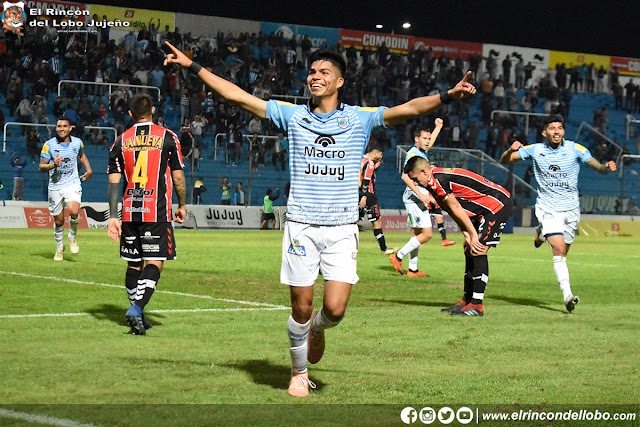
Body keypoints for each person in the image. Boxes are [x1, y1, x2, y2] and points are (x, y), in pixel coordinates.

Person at [164, 42, 476, 397]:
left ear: (340, 81)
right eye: (312, 72)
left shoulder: (359, 118)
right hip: (302, 225)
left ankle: (319, 328)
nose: (315, 76)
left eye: (324, 72)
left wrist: (448, 96)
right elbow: (239, 97)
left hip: (342, 228)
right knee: (301, 305)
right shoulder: (293, 115)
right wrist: (192, 65)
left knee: (335, 309)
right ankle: (298, 372)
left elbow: (408, 109)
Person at [499, 114, 617, 313]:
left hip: (571, 209)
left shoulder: (575, 149)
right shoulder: (535, 149)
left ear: (563, 131)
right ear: (544, 132)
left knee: (564, 252)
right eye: (552, 128)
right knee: (559, 250)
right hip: (548, 207)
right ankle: (567, 295)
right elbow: (505, 160)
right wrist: (509, 150)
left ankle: (540, 232)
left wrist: (606, 167)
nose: (556, 131)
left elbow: (597, 167)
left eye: (560, 128)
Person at [107, 93, 187, 335]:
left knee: (134, 264)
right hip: (157, 209)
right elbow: (178, 177)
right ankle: (138, 308)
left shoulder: (120, 141)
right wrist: (182, 204)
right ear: (153, 109)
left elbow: (113, 182)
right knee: (155, 261)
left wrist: (113, 215)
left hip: (130, 210)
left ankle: (137, 313)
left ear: (130, 114)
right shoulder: (167, 137)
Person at [405, 156, 512, 316]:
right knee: (468, 248)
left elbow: (456, 207)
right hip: (482, 210)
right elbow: (452, 211)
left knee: (478, 249)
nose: (416, 183)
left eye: (415, 179)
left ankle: (477, 305)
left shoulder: (437, 180)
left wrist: (473, 235)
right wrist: (466, 233)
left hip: (496, 205)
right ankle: (467, 300)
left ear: (423, 171)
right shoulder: (433, 184)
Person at [389, 119, 445, 277]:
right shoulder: (413, 154)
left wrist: (438, 127)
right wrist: (421, 195)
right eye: (425, 139)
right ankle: (397, 256)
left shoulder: (421, 152)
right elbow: (405, 176)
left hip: (417, 197)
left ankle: (412, 269)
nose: (428, 142)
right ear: (416, 139)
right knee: (427, 234)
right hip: (414, 197)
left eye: (428, 139)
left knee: (417, 234)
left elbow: (430, 142)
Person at [39, 116, 93, 261]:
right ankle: (59, 247)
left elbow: (81, 155)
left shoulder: (77, 142)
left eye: (64, 126)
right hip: (55, 186)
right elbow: (41, 166)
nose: (61, 129)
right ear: (56, 128)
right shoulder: (48, 145)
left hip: (72, 183)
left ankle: (72, 237)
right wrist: (53, 165)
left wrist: (88, 169)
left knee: (74, 210)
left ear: (70, 128)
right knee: (59, 221)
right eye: (59, 126)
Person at [359, 148, 397, 255]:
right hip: (368, 196)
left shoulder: (361, 161)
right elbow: (366, 180)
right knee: (377, 222)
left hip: (358, 194)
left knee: (354, 221)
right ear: (375, 153)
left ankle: (345, 247)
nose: (380, 158)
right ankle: (384, 249)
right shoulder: (370, 163)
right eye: (380, 155)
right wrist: (365, 196)